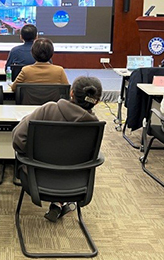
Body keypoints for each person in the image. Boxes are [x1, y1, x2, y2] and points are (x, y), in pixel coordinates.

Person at [12, 76, 103, 222]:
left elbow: (18, 139)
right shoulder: (95, 126)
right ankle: (60, 203)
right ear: (97, 101)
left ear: (71, 93)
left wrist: (32, 155)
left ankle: (58, 203)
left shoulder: (48, 110)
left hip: (37, 178)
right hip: (76, 183)